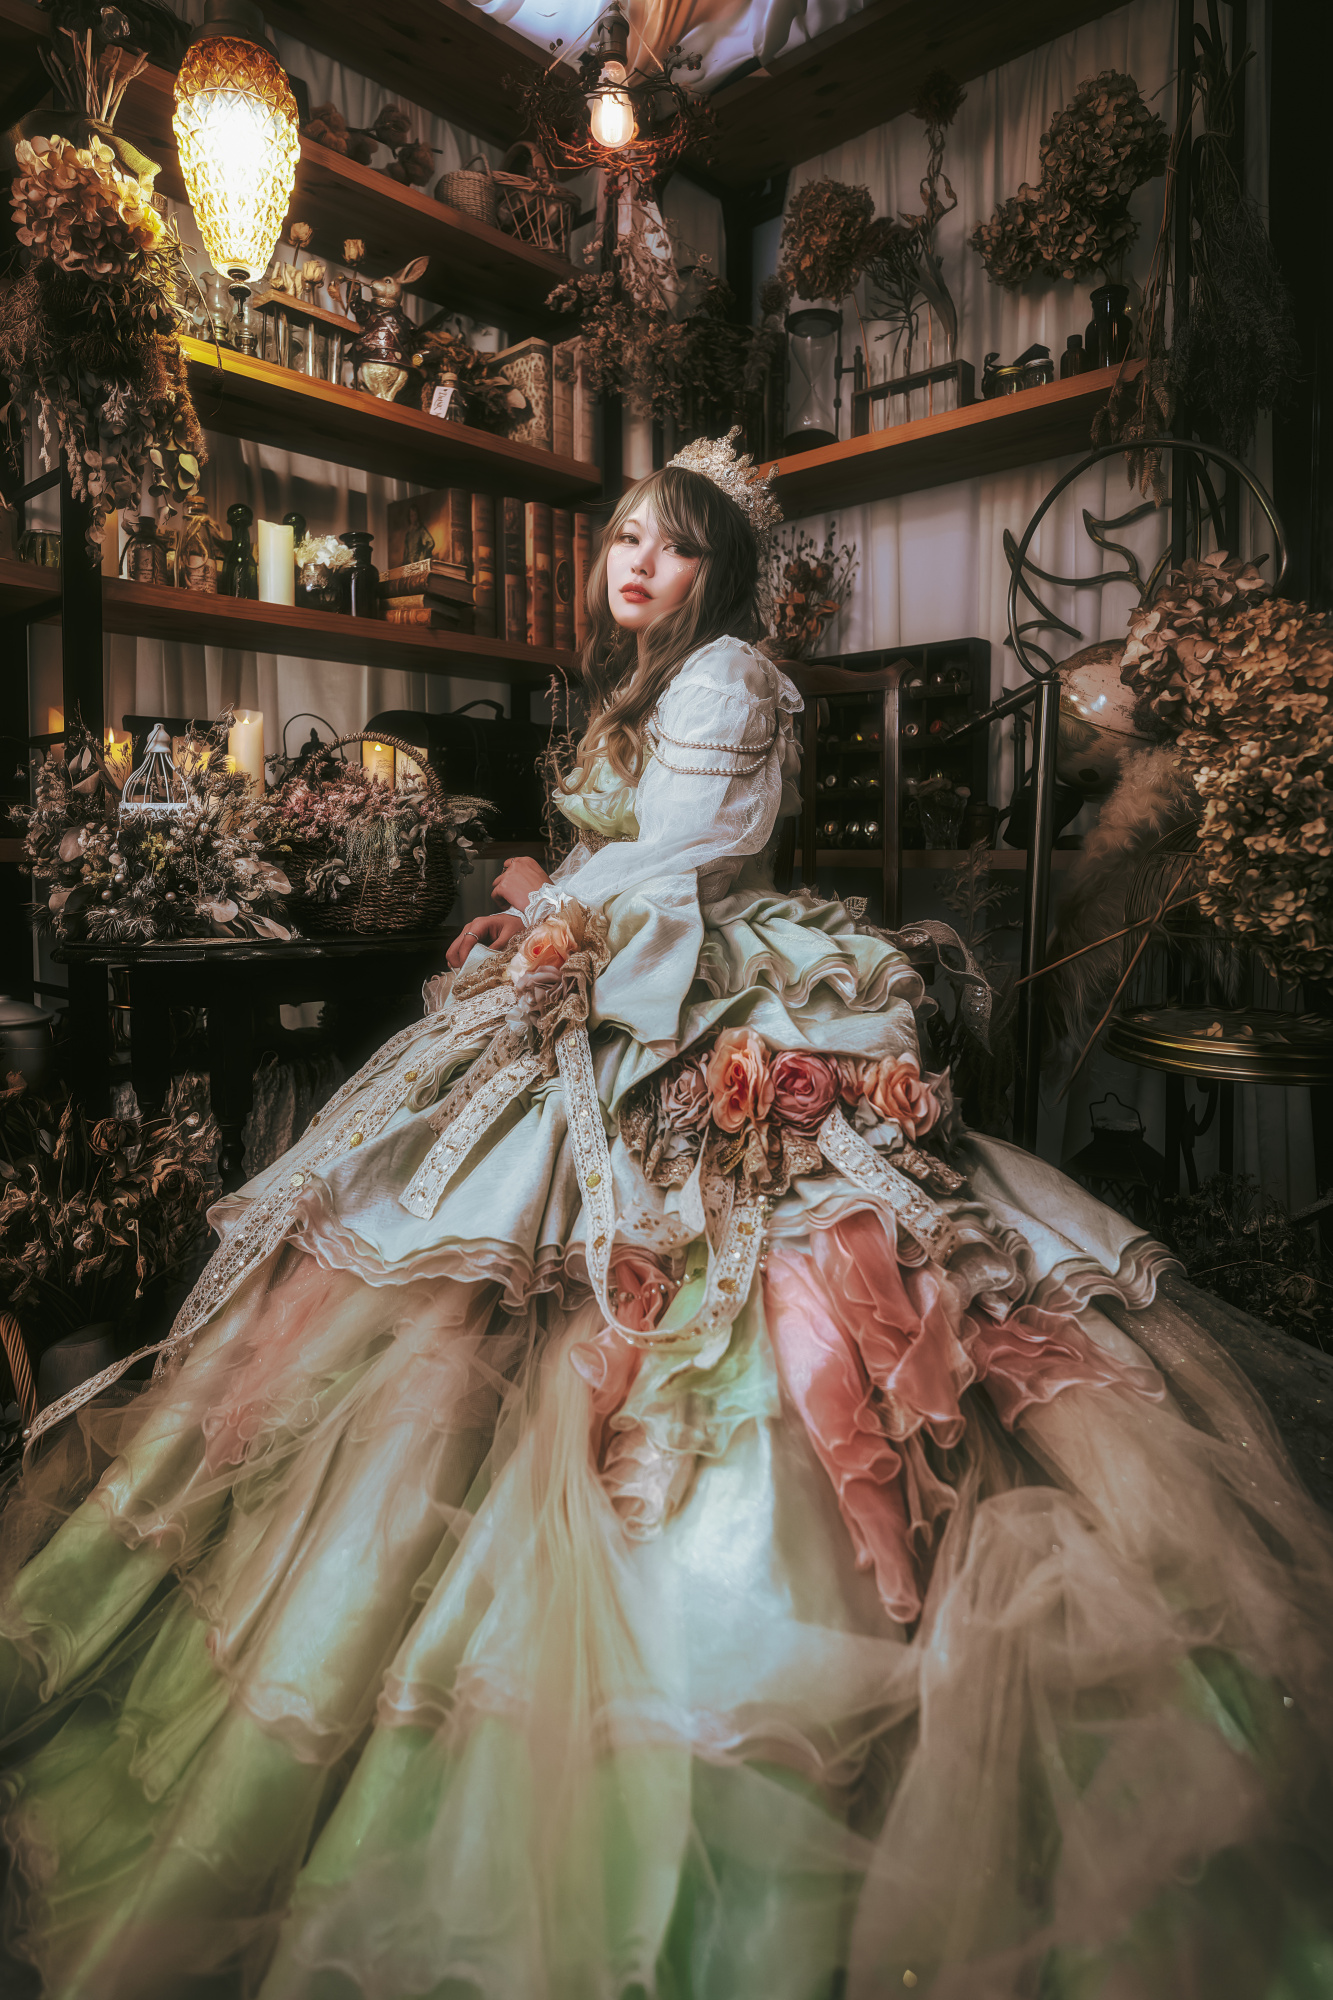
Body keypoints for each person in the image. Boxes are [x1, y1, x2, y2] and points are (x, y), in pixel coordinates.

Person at [2, 434, 1331, 2000]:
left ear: (720, 572)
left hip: (687, 979)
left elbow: (688, 849)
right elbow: (625, 846)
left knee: (710, 1256)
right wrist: (541, 896)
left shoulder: (727, 675)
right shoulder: (647, 681)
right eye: (624, 535)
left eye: (672, 544)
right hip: (629, 952)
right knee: (442, 1263)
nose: (635, 561)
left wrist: (554, 918)